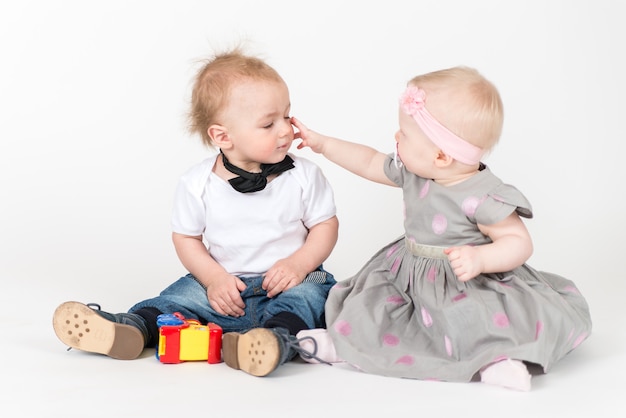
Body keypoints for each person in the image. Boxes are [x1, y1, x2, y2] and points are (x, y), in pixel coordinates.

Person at [291, 66, 592, 391]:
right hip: (408, 272)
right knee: (373, 304)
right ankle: (344, 344)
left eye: (404, 134)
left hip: (466, 281)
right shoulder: (414, 172)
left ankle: (497, 362)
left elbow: (518, 242)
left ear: (440, 155)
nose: (395, 137)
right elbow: (367, 161)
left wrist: (482, 259)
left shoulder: (483, 195)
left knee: (475, 319)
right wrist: (323, 144)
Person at [52, 49, 340, 377]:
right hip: (222, 287)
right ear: (222, 136)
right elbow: (187, 238)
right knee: (179, 297)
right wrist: (213, 278)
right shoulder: (196, 184)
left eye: (287, 116)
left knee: (311, 297)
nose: (286, 130)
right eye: (268, 124)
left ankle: (273, 340)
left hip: (290, 281)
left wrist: (299, 264)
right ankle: (131, 329)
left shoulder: (304, 175)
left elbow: (325, 225)